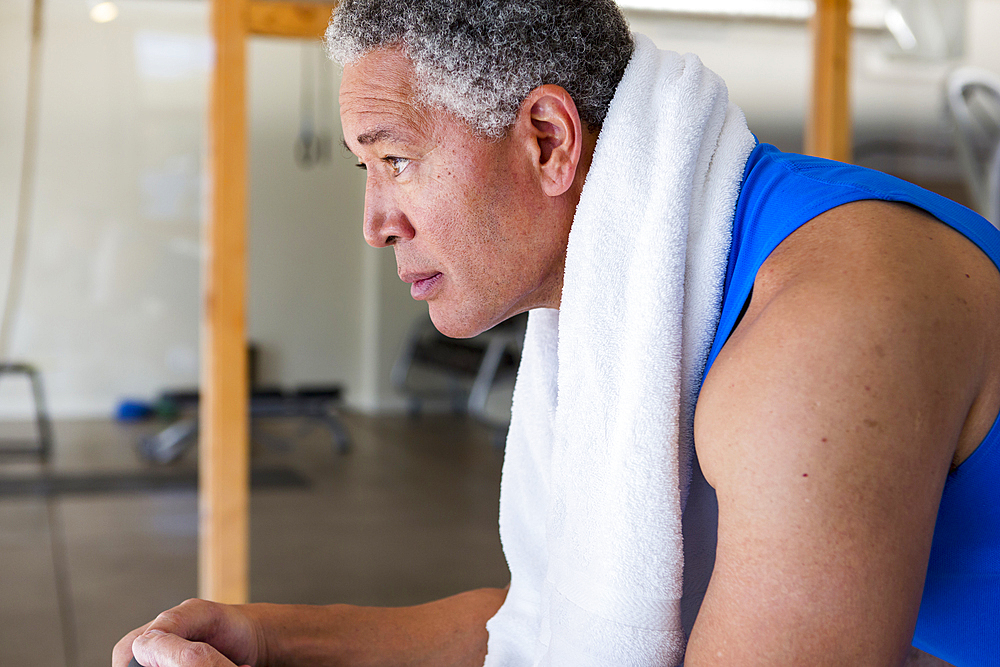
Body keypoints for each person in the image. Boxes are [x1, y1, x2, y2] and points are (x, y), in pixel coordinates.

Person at [114, 1, 1000, 666]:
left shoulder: (816, 339)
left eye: (396, 158)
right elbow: (557, 620)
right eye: (365, 168)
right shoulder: (646, 281)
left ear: (547, 139)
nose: (376, 220)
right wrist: (264, 639)